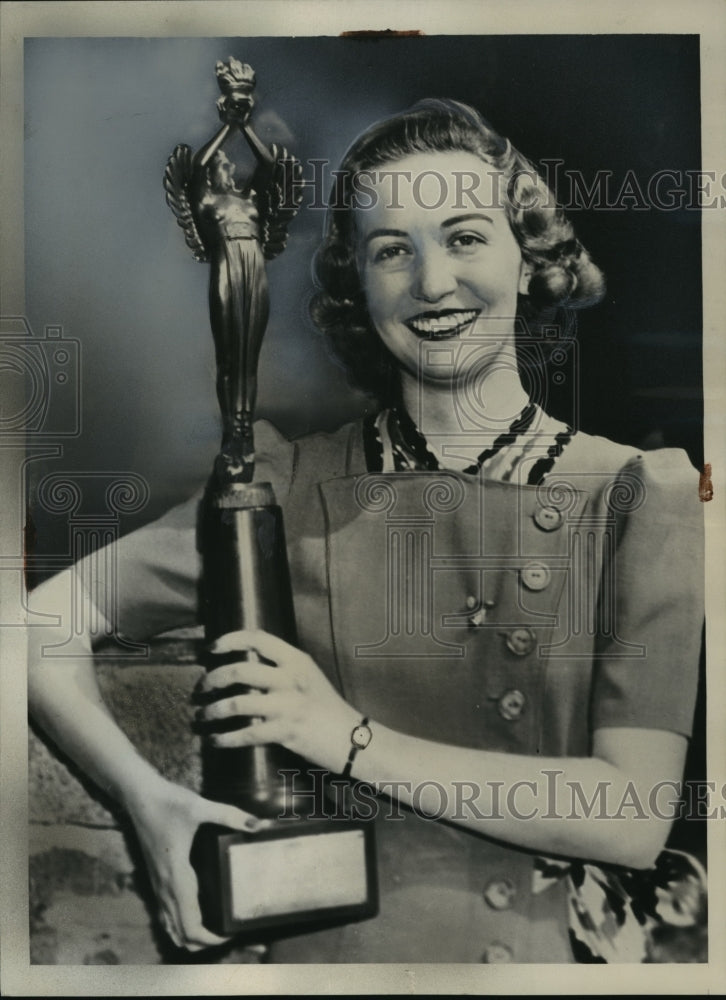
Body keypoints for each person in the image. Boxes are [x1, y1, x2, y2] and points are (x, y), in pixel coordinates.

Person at [27, 99, 705, 964]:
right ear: (359, 285)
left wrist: (345, 738)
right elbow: (32, 627)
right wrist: (148, 805)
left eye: (465, 237)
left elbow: (635, 817)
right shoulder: (283, 486)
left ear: (530, 258)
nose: (431, 283)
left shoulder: (641, 496)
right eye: (393, 250)